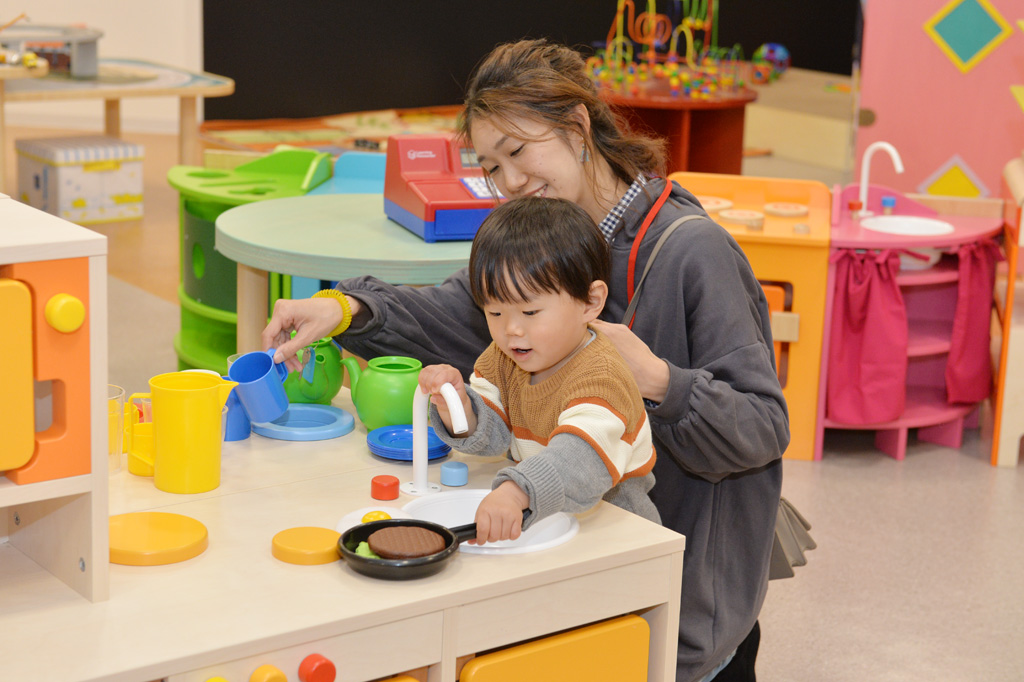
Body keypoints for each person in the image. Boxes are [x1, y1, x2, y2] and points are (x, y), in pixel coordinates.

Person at [262, 39, 789, 682]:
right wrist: (347, 308)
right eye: (491, 166)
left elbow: (763, 424)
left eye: (517, 151)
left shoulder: (690, 252)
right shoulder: (543, 244)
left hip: (682, 607)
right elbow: (452, 311)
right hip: (585, 583)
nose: (508, 182)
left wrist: (658, 380)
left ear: (577, 127)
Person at [418, 196, 659, 545]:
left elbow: (580, 458)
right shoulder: (506, 356)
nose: (511, 330)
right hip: (546, 518)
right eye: (495, 313)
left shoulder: (602, 376)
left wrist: (516, 492)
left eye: (530, 313)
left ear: (590, 302)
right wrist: (457, 405)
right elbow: (493, 434)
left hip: (616, 532)